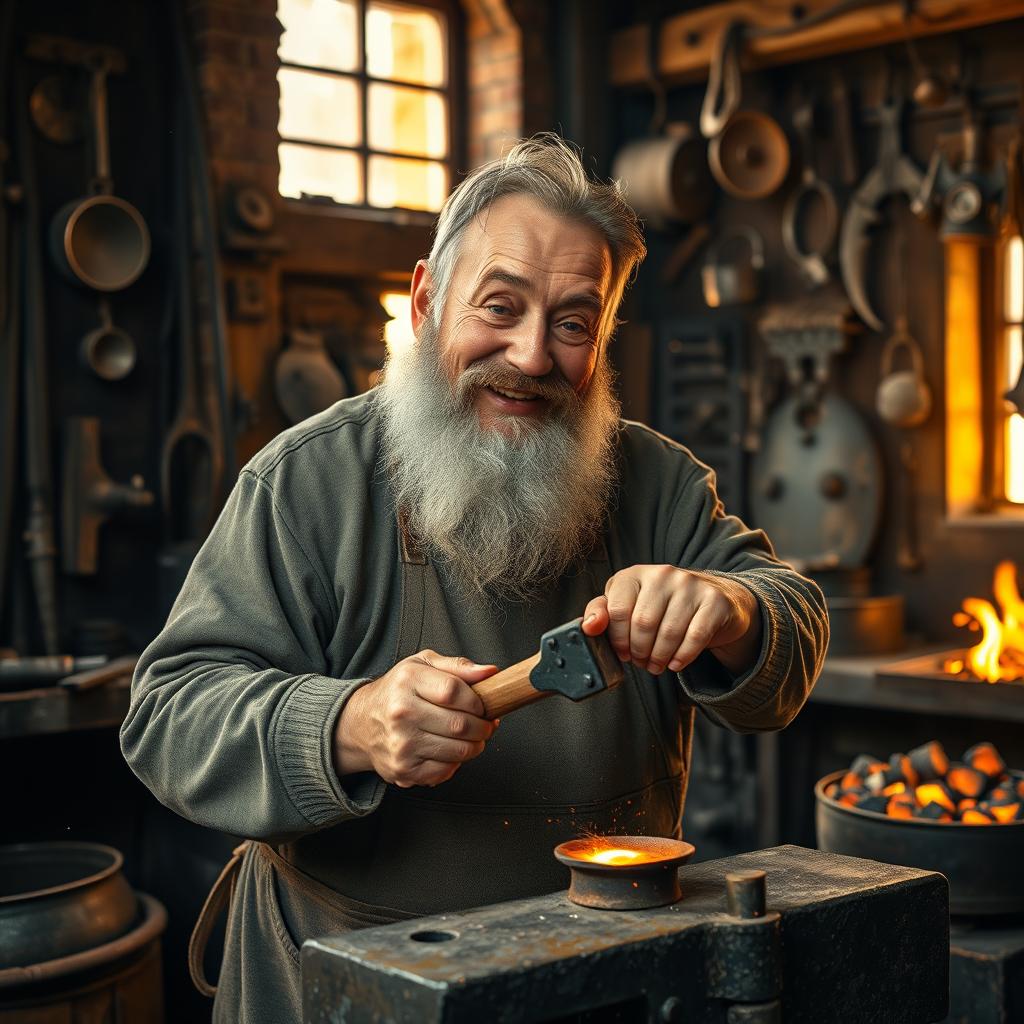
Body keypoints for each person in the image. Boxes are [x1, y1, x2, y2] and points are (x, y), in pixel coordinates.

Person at [121, 133, 828, 1024]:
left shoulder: (657, 483)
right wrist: (348, 723)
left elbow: (792, 622)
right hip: (337, 984)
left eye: (574, 322)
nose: (533, 356)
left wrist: (732, 610)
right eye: (500, 307)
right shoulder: (306, 482)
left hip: (600, 982)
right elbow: (168, 715)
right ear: (425, 301)